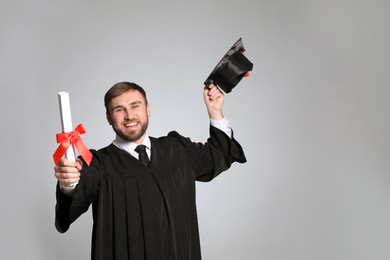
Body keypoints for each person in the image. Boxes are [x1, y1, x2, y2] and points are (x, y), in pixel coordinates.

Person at [54, 81, 246, 260]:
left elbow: (219, 154)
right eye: (119, 110)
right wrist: (68, 183)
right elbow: (74, 196)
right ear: (108, 117)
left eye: (135, 106)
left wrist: (215, 112)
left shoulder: (177, 149)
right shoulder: (98, 165)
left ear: (148, 109)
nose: (129, 115)